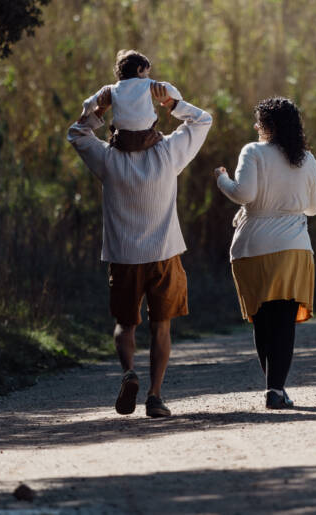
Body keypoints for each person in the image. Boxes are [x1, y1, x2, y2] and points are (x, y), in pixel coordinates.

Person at [67, 73, 212, 419]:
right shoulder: (168, 153)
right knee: (161, 325)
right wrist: (173, 104)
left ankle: (128, 372)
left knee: (125, 324)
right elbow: (203, 120)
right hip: (165, 254)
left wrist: (97, 108)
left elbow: (77, 133)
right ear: (152, 116)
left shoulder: (107, 160)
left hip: (123, 256)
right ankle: (155, 396)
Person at [214, 96, 316, 409]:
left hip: (252, 246)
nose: (255, 127)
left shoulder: (253, 151)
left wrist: (222, 178)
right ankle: (275, 389)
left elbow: (243, 194)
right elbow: (314, 207)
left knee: (262, 320)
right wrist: (290, 202)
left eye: (259, 122)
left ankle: (273, 388)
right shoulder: (307, 160)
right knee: (284, 321)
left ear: (268, 126)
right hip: (293, 248)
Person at [82, 49, 183, 152]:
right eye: (146, 73)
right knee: (159, 135)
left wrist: (84, 115)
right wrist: (178, 100)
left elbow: (88, 103)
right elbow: (169, 89)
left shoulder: (111, 89)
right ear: (139, 70)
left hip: (122, 141)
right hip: (146, 137)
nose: (147, 77)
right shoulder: (148, 83)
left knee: (113, 132)